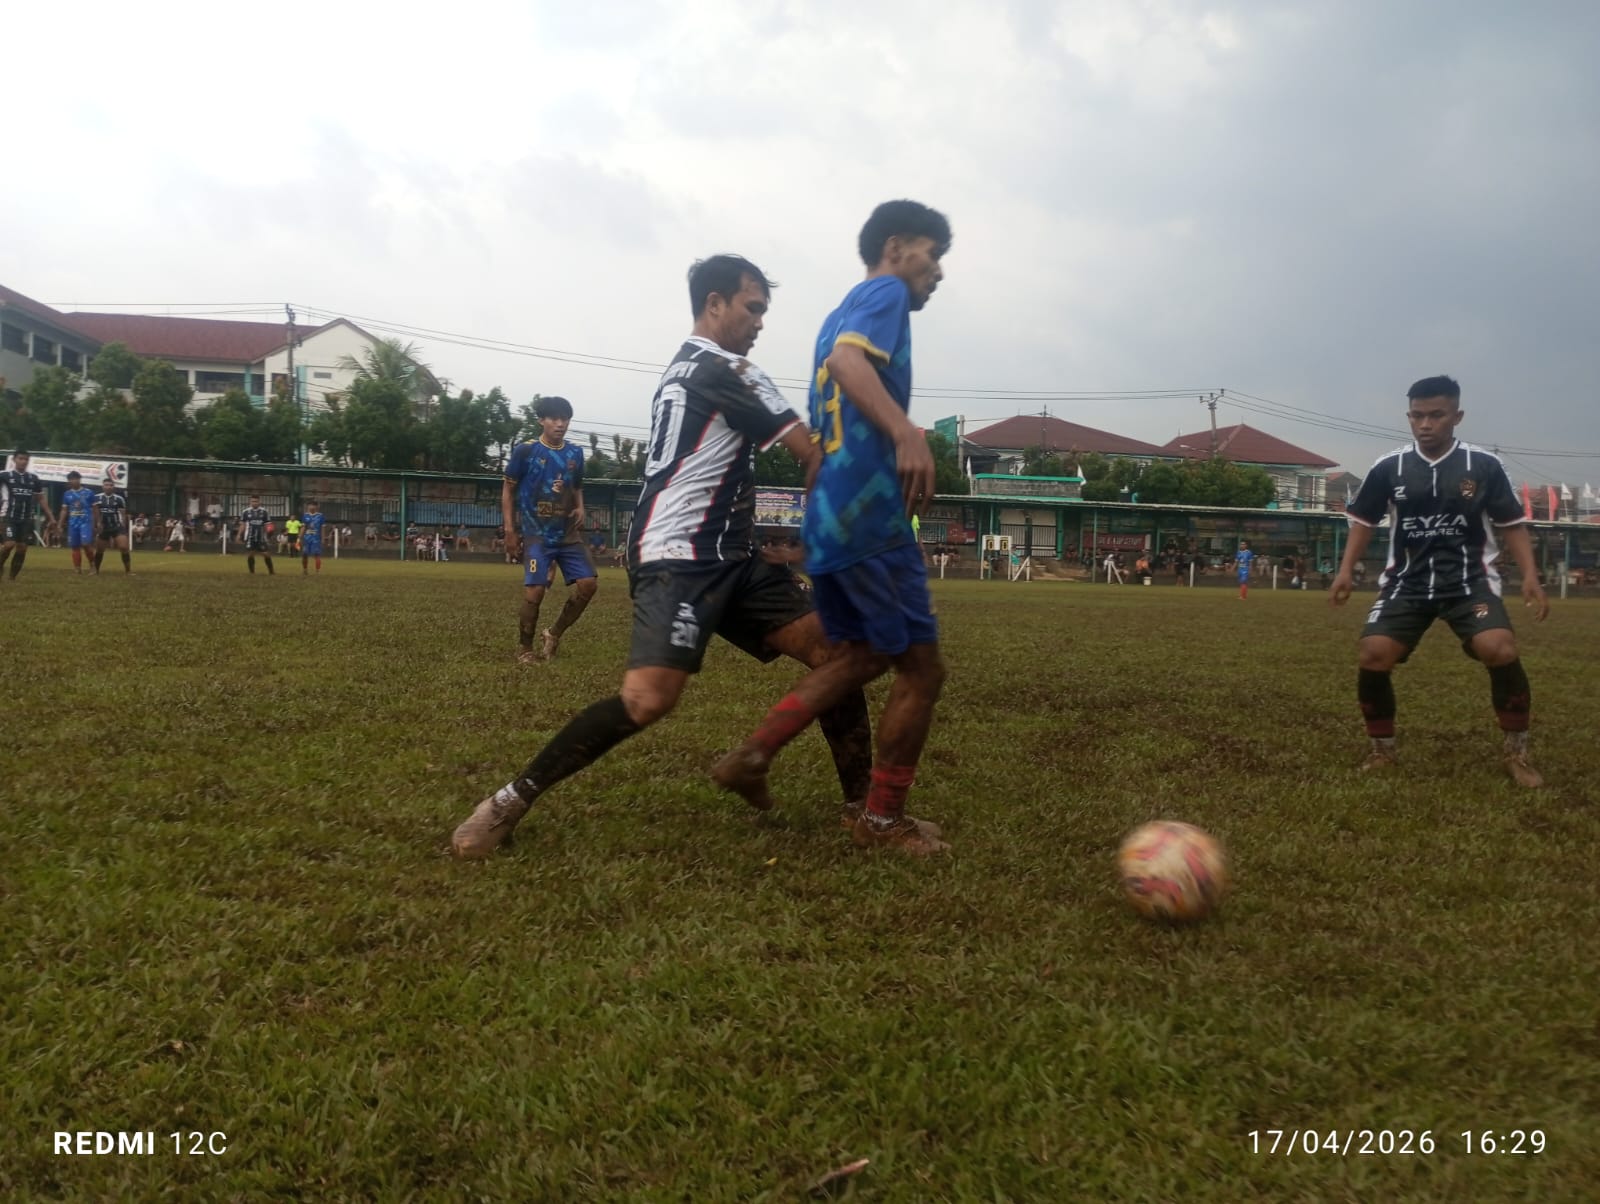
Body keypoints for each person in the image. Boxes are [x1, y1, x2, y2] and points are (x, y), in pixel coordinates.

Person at [452, 253, 875, 859]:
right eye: (753, 308)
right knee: (648, 700)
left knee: (838, 655)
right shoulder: (733, 370)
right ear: (715, 304)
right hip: (680, 556)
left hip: (731, 553)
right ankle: (506, 802)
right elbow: (814, 456)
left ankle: (866, 813)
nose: (760, 323)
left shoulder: (681, 367)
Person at [711, 201, 954, 856]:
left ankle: (752, 756)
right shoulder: (884, 294)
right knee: (922, 671)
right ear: (898, 246)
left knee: (862, 657)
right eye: (934, 255)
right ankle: (880, 822)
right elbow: (851, 365)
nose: (938, 272)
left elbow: (834, 387)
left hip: (832, 516)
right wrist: (906, 431)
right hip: (870, 516)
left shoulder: (839, 309)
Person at [1330, 375, 1549, 787]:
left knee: (1499, 648)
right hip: (1406, 583)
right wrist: (1345, 570)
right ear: (1408, 417)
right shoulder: (1388, 467)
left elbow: (1512, 524)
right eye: (1417, 416)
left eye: (1436, 415)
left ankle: (1517, 753)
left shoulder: (1483, 466)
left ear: (1457, 416)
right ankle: (1382, 753)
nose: (1425, 424)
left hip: (1469, 582)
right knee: (1373, 653)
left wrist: (1532, 577)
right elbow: (1362, 521)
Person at [503, 396, 598, 663]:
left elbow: (577, 486)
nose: (560, 424)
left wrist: (580, 507)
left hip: (567, 533)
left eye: (564, 419)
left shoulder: (575, 453)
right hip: (537, 533)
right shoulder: (526, 451)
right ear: (541, 421)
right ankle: (525, 648)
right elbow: (508, 488)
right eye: (554, 419)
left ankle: (554, 634)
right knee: (535, 590)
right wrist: (510, 530)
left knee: (588, 585)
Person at [0, 450, 57, 581]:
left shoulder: (33, 479)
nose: (23, 461)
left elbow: (41, 499)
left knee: (22, 548)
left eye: (26, 459)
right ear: (14, 460)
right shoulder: (5, 476)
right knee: (9, 544)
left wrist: (51, 517)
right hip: (8, 515)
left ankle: (12, 578)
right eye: (21, 458)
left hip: (26, 518)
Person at [91, 478, 132, 573]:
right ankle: (96, 571)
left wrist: (124, 528)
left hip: (116, 526)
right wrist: (96, 525)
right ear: (103, 486)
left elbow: (123, 514)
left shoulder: (119, 499)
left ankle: (128, 571)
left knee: (124, 547)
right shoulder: (96, 498)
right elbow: (94, 513)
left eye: (110, 485)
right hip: (103, 527)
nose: (108, 487)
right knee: (100, 549)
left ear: (114, 487)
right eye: (106, 485)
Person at [61, 471, 98, 573]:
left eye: (76, 478)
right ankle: (77, 568)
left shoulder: (89, 492)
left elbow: (95, 508)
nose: (74, 481)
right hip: (73, 524)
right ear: (69, 481)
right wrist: (60, 524)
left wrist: (96, 523)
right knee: (75, 546)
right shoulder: (67, 494)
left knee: (86, 544)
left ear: (80, 479)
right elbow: (64, 510)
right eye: (71, 479)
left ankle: (92, 565)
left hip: (85, 522)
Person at [236, 495, 275, 575]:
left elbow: (268, 524)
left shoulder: (264, 512)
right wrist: (239, 535)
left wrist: (269, 533)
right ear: (250, 502)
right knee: (250, 554)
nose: (254, 503)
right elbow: (242, 524)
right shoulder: (246, 512)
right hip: (250, 537)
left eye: (256, 501)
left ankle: (271, 571)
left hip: (261, 537)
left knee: (266, 554)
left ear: (259, 502)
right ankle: (252, 572)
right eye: (253, 501)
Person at [300, 499, 326, 574]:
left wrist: (323, 538)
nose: (310, 507)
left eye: (312, 505)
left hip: (316, 538)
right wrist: (299, 537)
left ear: (316, 507)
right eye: (309, 505)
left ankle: (317, 570)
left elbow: (323, 528)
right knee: (304, 554)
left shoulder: (320, 516)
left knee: (316, 554)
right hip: (307, 538)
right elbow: (303, 527)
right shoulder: (305, 515)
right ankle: (305, 569)